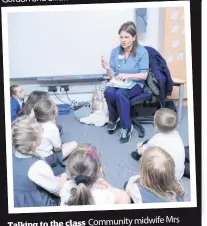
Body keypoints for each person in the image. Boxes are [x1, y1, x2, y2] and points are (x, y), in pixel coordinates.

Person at [102, 21, 149, 143]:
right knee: (109, 92)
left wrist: (126, 76)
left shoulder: (142, 52)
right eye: (121, 37)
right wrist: (108, 68)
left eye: (127, 37)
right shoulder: (115, 51)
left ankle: (126, 127)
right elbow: (112, 75)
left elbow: (144, 75)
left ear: (134, 38)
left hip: (136, 84)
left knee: (120, 94)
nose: (123, 40)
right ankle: (113, 119)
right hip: (119, 82)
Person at [12, 116, 67, 207]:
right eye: (41, 130)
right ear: (34, 144)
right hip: (35, 204)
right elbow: (58, 191)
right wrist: (64, 177)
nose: (42, 131)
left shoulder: (11, 156)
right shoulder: (37, 166)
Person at [60, 144, 131, 205]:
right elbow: (125, 199)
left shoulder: (65, 188)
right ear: (100, 170)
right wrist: (110, 188)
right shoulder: (105, 195)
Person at [131, 108, 185, 180]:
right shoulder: (176, 134)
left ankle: (140, 159)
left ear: (155, 125)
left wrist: (139, 148)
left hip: (167, 179)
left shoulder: (156, 139)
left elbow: (144, 151)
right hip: (179, 174)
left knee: (146, 153)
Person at [33, 97, 78, 176]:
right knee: (74, 144)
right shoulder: (52, 128)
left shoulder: (32, 123)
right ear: (52, 114)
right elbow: (58, 148)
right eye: (56, 107)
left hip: (33, 157)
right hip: (47, 159)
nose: (57, 108)